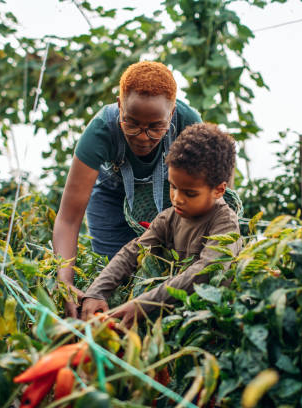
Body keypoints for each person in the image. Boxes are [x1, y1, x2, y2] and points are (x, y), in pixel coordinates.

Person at [53, 62, 202, 318]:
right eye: (131, 124)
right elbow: (68, 218)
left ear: (172, 112)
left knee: (174, 271)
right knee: (113, 277)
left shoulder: (189, 124)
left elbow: (210, 196)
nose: (143, 137)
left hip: (171, 195)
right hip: (112, 198)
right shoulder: (101, 129)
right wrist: (64, 282)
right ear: (120, 106)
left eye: (156, 127)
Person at [80, 123, 242, 327]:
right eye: (173, 187)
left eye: (190, 193)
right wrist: (97, 291)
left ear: (219, 190)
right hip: (176, 313)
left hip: (213, 319)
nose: (177, 199)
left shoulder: (224, 223)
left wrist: (145, 303)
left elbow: (206, 271)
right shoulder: (169, 217)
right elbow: (133, 251)